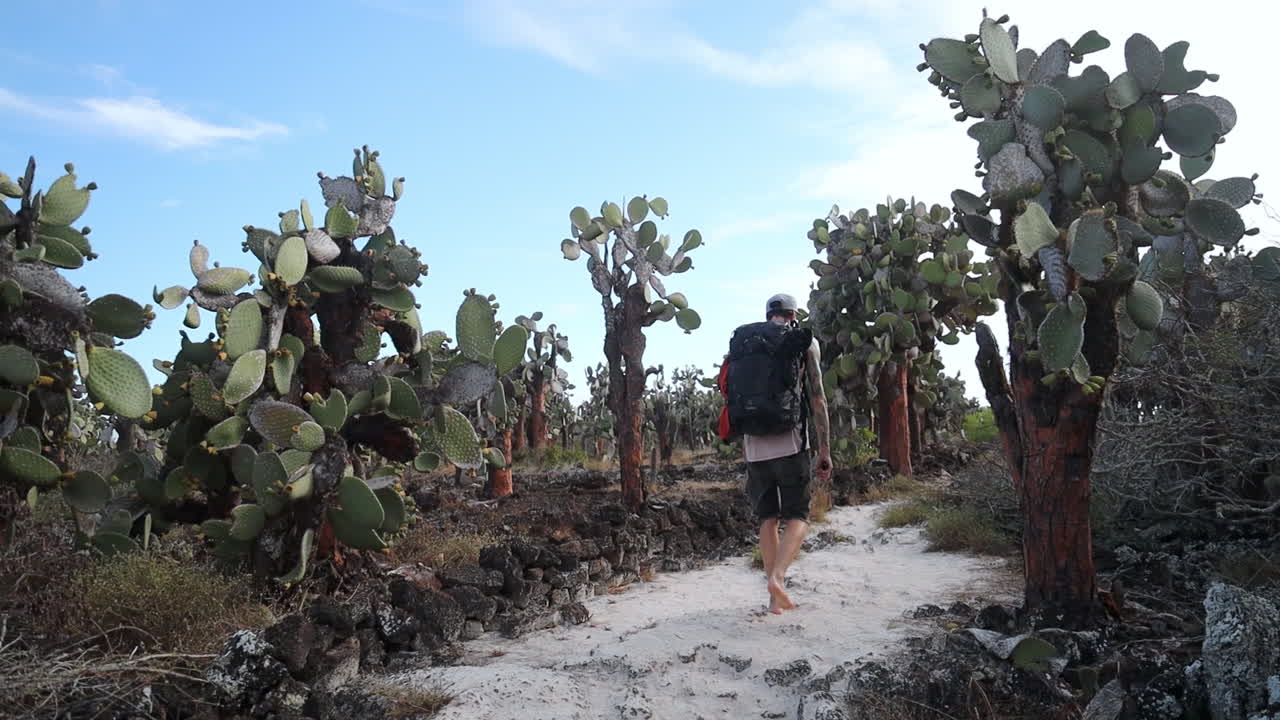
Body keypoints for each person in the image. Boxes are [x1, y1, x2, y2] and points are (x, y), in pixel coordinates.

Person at [736, 293, 832, 614]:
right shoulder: (804, 343)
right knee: (798, 515)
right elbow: (817, 398)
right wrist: (824, 449)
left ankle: (774, 600)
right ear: (794, 315)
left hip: (753, 444)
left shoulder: (746, 342)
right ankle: (777, 578)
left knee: (767, 518)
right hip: (791, 442)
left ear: (768, 316)